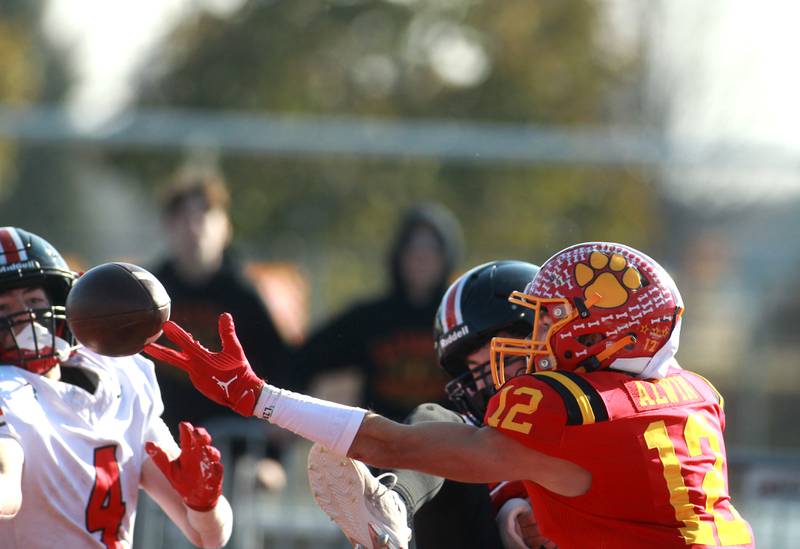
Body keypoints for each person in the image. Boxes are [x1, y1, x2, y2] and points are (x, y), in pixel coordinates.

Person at [145, 241, 755, 549]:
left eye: (549, 321)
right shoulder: (695, 394)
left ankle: (391, 505)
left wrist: (258, 398)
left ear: (604, 329)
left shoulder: (563, 408)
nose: (535, 342)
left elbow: (394, 439)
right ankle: (391, 505)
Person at [0, 227, 233, 548]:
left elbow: (209, 536)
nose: (25, 318)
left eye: (34, 301)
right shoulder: (6, 391)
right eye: (4, 309)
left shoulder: (122, 376)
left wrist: (205, 505)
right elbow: (5, 485)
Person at [306, 260, 541, 549]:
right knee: (439, 425)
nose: (488, 383)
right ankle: (392, 506)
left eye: (503, 360)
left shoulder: (594, 413)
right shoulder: (473, 435)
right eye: (475, 370)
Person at [150, 169, 291, 437]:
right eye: (182, 217)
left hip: (237, 445)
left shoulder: (242, 295)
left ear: (226, 227)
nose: (193, 228)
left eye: (203, 215)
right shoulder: (148, 291)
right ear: (167, 226)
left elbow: (281, 368)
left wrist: (271, 454)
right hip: (160, 436)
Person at [293, 202, 463, 421]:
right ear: (399, 254)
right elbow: (305, 358)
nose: (422, 257)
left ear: (447, 256)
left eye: (432, 248)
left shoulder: (460, 318)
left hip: (446, 446)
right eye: (413, 247)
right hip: (382, 445)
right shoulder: (371, 319)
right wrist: (283, 411)